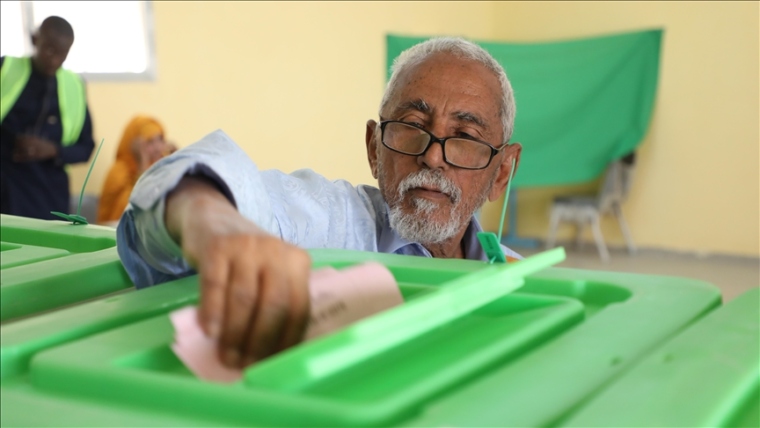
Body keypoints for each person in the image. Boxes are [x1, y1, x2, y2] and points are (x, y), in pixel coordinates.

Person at [117, 37, 523, 369]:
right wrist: (212, 220)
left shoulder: (523, 282)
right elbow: (222, 189)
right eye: (412, 127)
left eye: (465, 136)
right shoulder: (335, 221)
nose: (432, 156)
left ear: (501, 172)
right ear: (374, 150)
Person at [0, 16, 95, 220]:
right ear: (35, 40)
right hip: (7, 188)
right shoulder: (5, 69)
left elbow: (86, 148)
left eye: (62, 54)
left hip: (50, 198)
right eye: (49, 49)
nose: (54, 60)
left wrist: (52, 150)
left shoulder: (74, 86)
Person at [97, 115, 176, 226]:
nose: (158, 147)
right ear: (134, 145)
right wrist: (142, 164)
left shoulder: (156, 168)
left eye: (160, 140)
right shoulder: (118, 172)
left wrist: (175, 162)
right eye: (150, 142)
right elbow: (131, 211)